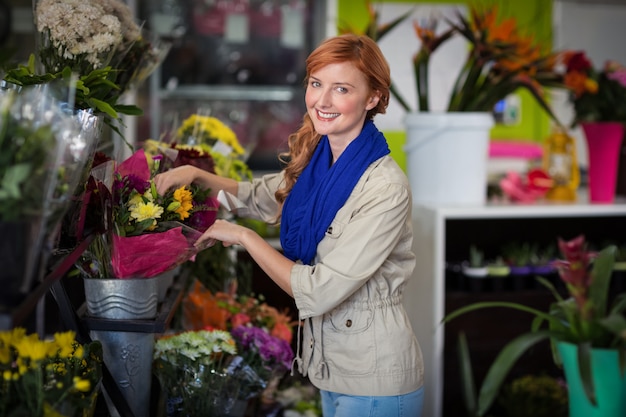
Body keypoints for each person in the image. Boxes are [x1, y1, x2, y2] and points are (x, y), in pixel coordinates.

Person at [154, 33, 424, 417]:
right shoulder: (320, 161)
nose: (322, 101)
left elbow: (319, 290)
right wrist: (196, 177)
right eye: (316, 84)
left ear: (373, 97)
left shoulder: (384, 187)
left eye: (341, 89)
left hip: (376, 382)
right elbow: (258, 197)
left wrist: (243, 236)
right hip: (336, 372)